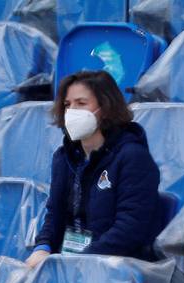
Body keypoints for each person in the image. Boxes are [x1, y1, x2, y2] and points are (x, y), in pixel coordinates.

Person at [26, 69, 161, 268]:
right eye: (67, 105)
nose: (71, 111)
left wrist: (80, 261)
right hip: (71, 266)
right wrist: (43, 247)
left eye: (81, 103)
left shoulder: (133, 157)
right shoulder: (64, 157)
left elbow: (130, 229)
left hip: (115, 268)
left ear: (105, 108)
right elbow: (54, 214)